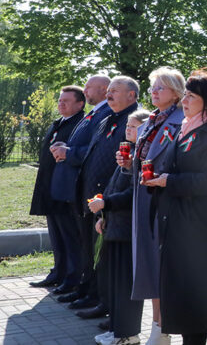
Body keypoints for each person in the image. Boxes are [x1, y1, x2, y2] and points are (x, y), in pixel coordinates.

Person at [144, 72, 207, 345]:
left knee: (195, 290)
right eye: (185, 95)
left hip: (200, 223)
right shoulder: (188, 127)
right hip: (180, 219)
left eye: (191, 96)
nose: (184, 101)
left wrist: (168, 181)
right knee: (181, 289)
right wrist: (157, 178)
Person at [71, 76, 140, 319]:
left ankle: (106, 303)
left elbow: (127, 166)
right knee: (91, 249)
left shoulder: (135, 121)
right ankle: (92, 293)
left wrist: (108, 199)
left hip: (113, 200)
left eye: (114, 91)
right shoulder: (107, 118)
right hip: (94, 196)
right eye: (108, 90)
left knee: (104, 255)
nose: (108, 94)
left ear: (131, 95)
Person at [129, 67, 185, 345]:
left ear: (176, 93)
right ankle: (158, 326)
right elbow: (144, 161)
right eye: (152, 87)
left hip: (165, 202)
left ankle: (163, 329)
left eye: (160, 87)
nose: (153, 92)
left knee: (161, 268)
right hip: (145, 199)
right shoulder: (151, 120)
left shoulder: (182, 121)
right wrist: (128, 164)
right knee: (151, 267)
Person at [51, 75, 112, 306]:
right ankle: (83, 288)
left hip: (94, 190)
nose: (84, 90)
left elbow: (97, 150)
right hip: (79, 187)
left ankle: (89, 291)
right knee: (84, 244)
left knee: (89, 244)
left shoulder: (106, 113)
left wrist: (70, 153)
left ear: (104, 89)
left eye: (88, 87)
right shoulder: (96, 112)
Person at [91, 109, 150, 345]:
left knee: (126, 284)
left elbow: (134, 194)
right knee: (115, 282)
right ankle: (116, 329)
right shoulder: (128, 153)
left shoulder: (143, 155)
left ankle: (127, 334)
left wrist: (107, 203)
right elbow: (113, 186)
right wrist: (103, 215)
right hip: (115, 225)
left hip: (128, 230)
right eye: (127, 126)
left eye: (134, 126)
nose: (128, 130)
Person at [28, 86, 85, 292]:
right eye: (60, 100)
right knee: (56, 236)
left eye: (66, 101)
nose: (61, 104)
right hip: (49, 188)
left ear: (80, 104)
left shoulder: (80, 124)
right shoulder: (59, 122)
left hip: (65, 190)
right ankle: (57, 273)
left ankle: (72, 278)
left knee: (70, 237)